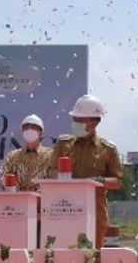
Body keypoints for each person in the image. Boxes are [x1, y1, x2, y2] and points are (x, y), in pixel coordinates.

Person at [48, 94, 123, 248]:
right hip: (65, 209)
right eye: (74, 119)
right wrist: (64, 179)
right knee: (64, 254)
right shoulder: (63, 144)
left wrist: (97, 182)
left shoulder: (108, 149)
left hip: (94, 212)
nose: (75, 123)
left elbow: (117, 182)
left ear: (94, 121)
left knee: (92, 259)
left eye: (80, 120)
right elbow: (51, 170)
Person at [0, 114, 54, 190]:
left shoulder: (50, 155)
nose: (29, 130)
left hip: (43, 199)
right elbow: (2, 175)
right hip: (17, 199)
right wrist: (16, 191)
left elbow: (54, 180)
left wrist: (36, 194)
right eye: (26, 128)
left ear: (41, 133)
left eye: (33, 128)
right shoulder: (12, 156)